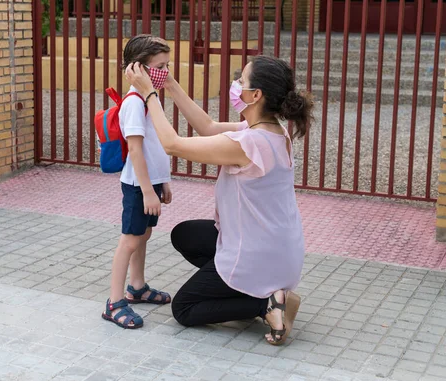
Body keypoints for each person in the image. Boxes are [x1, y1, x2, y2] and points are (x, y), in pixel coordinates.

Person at [125, 55, 313, 345]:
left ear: (255, 95)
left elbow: (172, 144)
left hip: (258, 254)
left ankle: (266, 305)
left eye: (241, 80)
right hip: (279, 251)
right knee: (185, 235)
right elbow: (209, 126)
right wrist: (170, 84)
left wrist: (149, 92)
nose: (235, 84)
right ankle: (254, 293)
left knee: (184, 308)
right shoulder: (273, 132)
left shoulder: (248, 144)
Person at [102, 35, 174, 329]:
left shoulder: (149, 100)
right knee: (130, 240)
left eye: (167, 65)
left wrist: (164, 183)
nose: (165, 72)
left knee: (143, 236)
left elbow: (156, 145)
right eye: (160, 66)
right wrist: (147, 191)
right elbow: (135, 149)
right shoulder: (134, 102)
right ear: (139, 69)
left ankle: (137, 286)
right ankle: (114, 302)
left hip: (152, 184)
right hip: (138, 186)